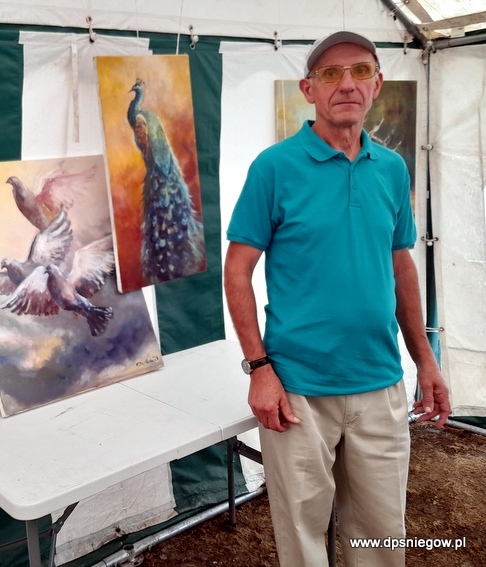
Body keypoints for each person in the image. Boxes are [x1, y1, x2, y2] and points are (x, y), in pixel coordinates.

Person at [223, 31, 451, 566]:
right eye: (330, 74)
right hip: (297, 390)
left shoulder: (391, 169)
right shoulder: (274, 168)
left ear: (377, 85)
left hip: (380, 383)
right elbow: (237, 271)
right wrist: (259, 368)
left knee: (381, 537)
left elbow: (400, 267)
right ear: (309, 89)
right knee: (302, 540)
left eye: (360, 71)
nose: (346, 84)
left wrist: (426, 360)